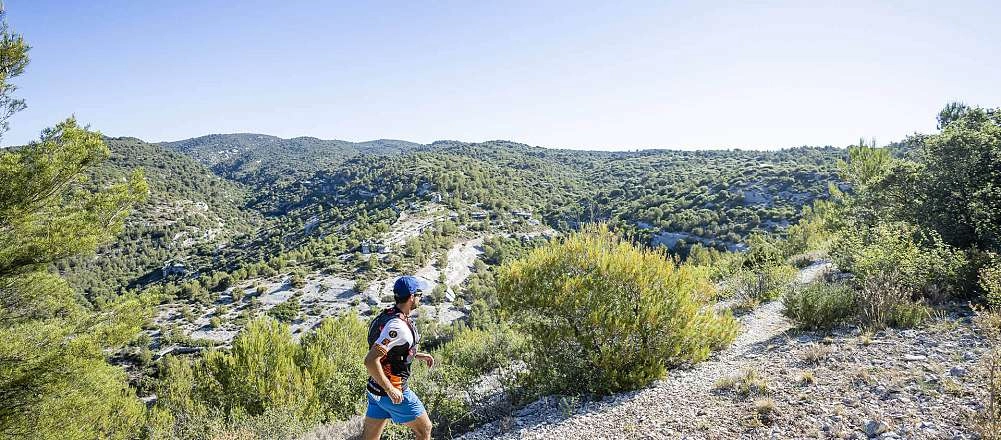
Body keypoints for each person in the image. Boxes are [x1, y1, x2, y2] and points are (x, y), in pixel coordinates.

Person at [361, 276, 436, 440]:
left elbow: (392, 351)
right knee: (425, 430)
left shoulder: (387, 315)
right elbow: (370, 360)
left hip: (375, 391)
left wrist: (417, 355)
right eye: (419, 294)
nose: (421, 297)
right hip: (393, 392)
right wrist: (391, 389)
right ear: (411, 297)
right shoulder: (397, 325)